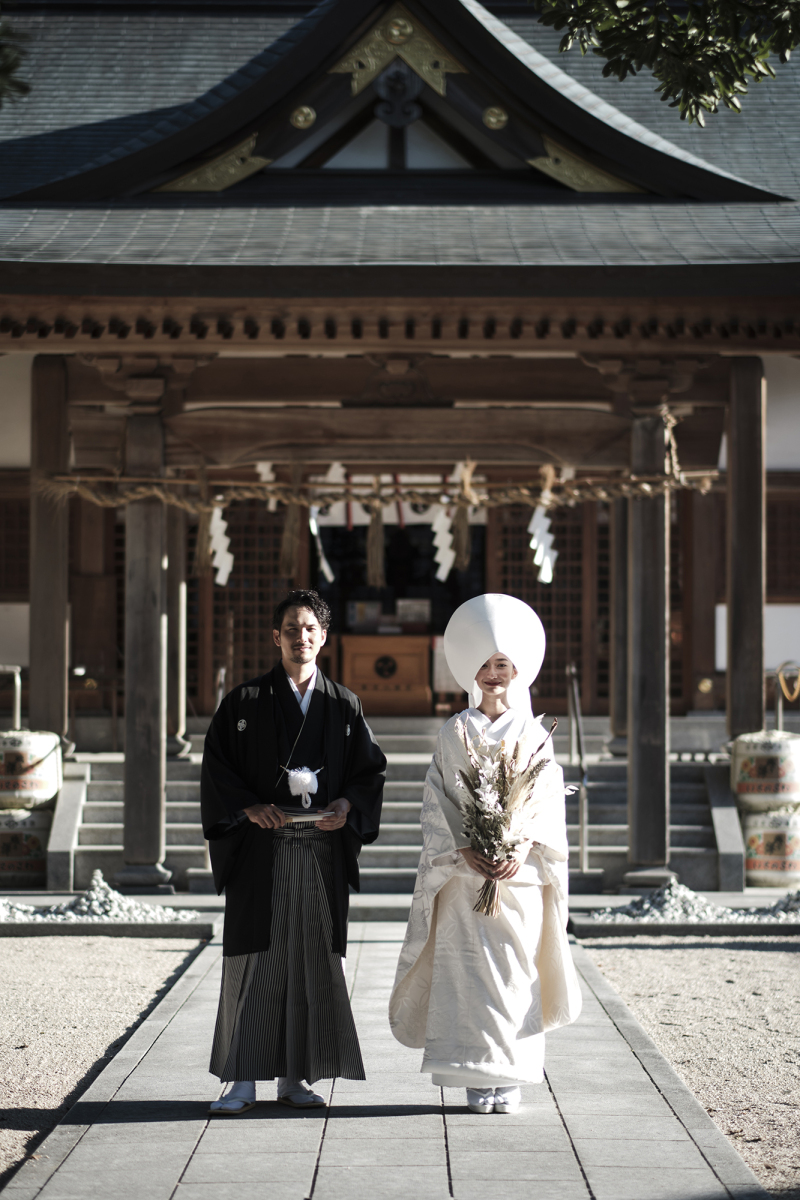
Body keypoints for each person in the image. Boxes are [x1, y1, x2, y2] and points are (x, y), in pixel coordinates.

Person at [389, 594, 582, 1115]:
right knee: (467, 976)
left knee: (516, 974)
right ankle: (475, 1077)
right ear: (469, 671)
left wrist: (518, 846)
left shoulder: (534, 732)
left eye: (502, 664)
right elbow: (438, 797)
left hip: (517, 877)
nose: (493, 674)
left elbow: (545, 800)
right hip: (466, 875)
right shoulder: (454, 730)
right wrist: (465, 846)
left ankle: (511, 1075)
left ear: (517, 670)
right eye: (484, 665)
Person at [201, 589, 386, 1114]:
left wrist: (346, 805)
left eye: (310, 629)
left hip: (321, 853)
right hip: (260, 853)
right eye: (291, 629)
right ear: (275, 636)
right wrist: (248, 807)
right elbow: (217, 767)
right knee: (253, 961)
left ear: (323, 637)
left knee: (310, 963)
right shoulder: (243, 703)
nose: (300, 637)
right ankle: (240, 1080)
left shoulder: (343, 705)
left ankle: (295, 1078)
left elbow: (369, 771)